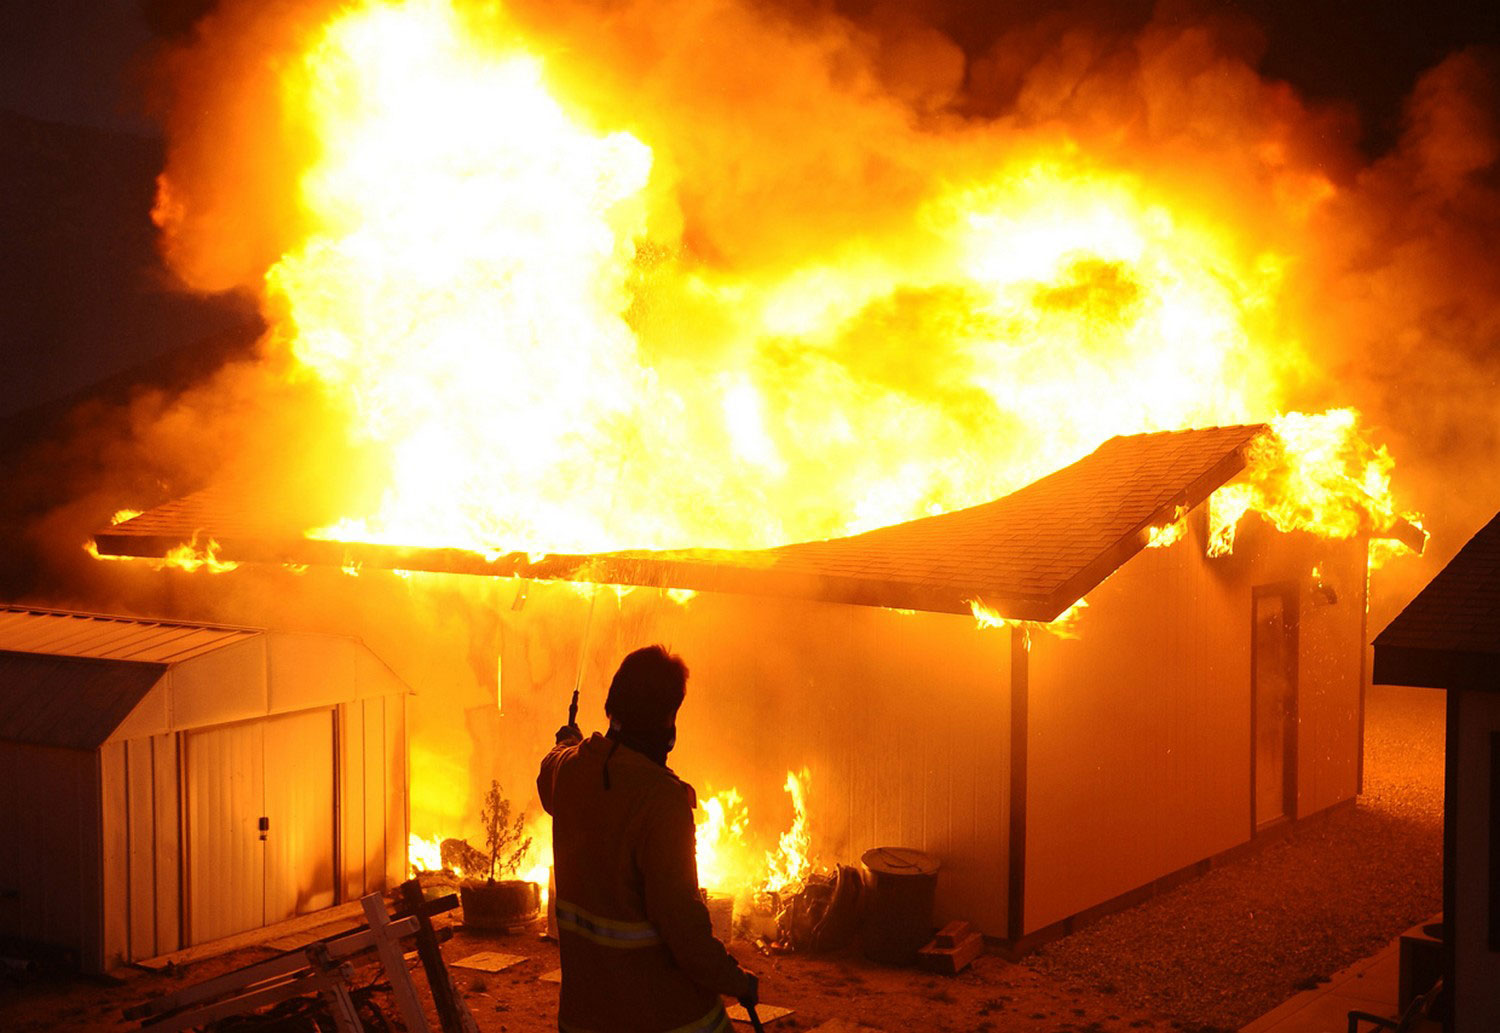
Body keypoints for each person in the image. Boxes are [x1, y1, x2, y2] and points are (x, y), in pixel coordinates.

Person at [537, 645, 758, 1033]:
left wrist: (566, 742)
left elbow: (550, 766)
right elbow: (683, 925)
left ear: (611, 706)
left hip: (583, 1017)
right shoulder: (662, 801)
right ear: (668, 722)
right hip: (659, 1016)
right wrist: (736, 980)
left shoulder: (569, 770)